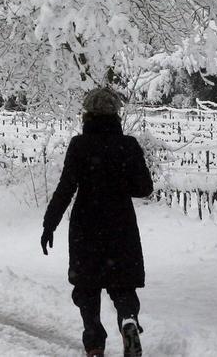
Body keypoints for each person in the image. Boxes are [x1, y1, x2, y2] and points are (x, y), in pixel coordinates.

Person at [41, 87, 154, 357]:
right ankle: (128, 320)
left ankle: (94, 345)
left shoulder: (79, 145)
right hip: (121, 225)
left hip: (86, 227)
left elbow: (66, 188)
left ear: (88, 113)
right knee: (122, 285)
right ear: (116, 113)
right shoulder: (128, 145)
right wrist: (119, 180)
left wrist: (49, 224)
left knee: (87, 289)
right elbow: (144, 188)